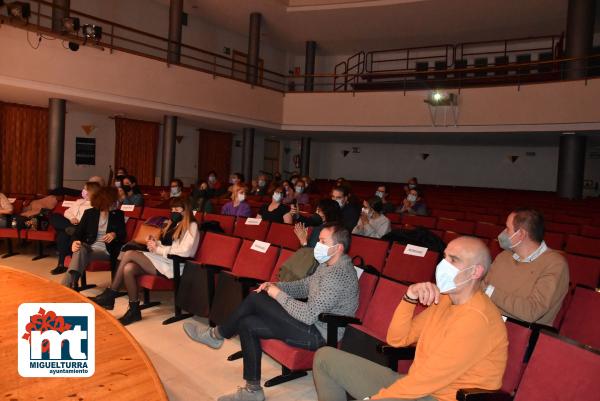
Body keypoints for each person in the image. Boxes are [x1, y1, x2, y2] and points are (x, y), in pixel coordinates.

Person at [313, 236, 508, 401]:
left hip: (443, 396)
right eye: (445, 257)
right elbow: (397, 339)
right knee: (325, 358)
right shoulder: (446, 299)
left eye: (454, 260)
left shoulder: (476, 318)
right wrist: (410, 297)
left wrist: (376, 399)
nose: (444, 265)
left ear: (475, 272)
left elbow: (428, 379)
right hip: (419, 387)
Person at [182, 223, 359, 401]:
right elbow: (304, 286)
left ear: (339, 247)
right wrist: (275, 285)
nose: (317, 245)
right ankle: (253, 391)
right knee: (247, 323)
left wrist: (277, 294)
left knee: (256, 299)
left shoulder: (339, 274)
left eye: (322, 241)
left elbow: (309, 314)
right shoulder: (326, 265)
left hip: (319, 334)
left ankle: (216, 335)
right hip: (309, 324)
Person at [91, 198, 200, 325]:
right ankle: (134, 310)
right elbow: (169, 245)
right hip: (165, 260)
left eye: (176, 209)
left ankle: (111, 294)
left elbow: (185, 251)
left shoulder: (192, 225)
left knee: (130, 253)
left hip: (176, 265)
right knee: (129, 269)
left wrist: (158, 249)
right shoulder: (175, 224)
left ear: (185, 210)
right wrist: (155, 243)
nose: (173, 212)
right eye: (172, 210)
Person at [484, 208, 569, 326]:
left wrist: (489, 291)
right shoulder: (504, 256)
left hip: (521, 334)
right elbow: (482, 291)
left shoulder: (555, 264)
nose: (503, 233)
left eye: (507, 229)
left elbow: (532, 311)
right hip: (487, 322)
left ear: (521, 234)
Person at [62, 187, 126, 289]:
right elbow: (77, 234)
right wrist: (74, 242)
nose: (115, 203)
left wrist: (114, 234)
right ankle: (69, 285)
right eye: (113, 200)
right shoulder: (90, 213)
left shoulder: (118, 214)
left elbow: (123, 234)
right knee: (79, 248)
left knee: (79, 253)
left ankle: (67, 286)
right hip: (90, 248)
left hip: (107, 250)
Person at [49, 180, 101, 275]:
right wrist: (72, 218)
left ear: (92, 191)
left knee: (62, 234)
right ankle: (69, 229)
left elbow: (90, 221)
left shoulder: (96, 205)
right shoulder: (79, 201)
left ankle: (61, 264)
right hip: (71, 225)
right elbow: (67, 212)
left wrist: (77, 221)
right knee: (55, 216)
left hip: (82, 227)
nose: (83, 191)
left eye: (85, 189)